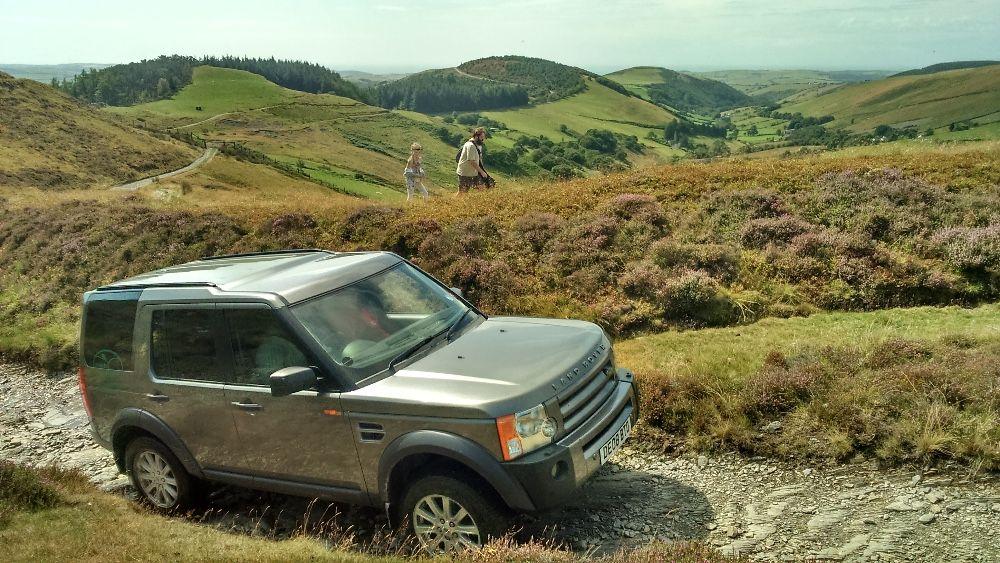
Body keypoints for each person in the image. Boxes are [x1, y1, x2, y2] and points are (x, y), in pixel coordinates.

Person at [456, 127, 493, 194]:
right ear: (476, 136)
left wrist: (482, 171)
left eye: (483, 138)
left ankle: (481, 200)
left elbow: (479, 159)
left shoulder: (478, 145)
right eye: (481, 137)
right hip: (465, 173)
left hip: (474, 172)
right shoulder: (471, 146)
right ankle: (451, 201)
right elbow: (471, 161)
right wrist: (482, 172)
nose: (483, 140)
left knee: (483, 188)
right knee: (462, 193)